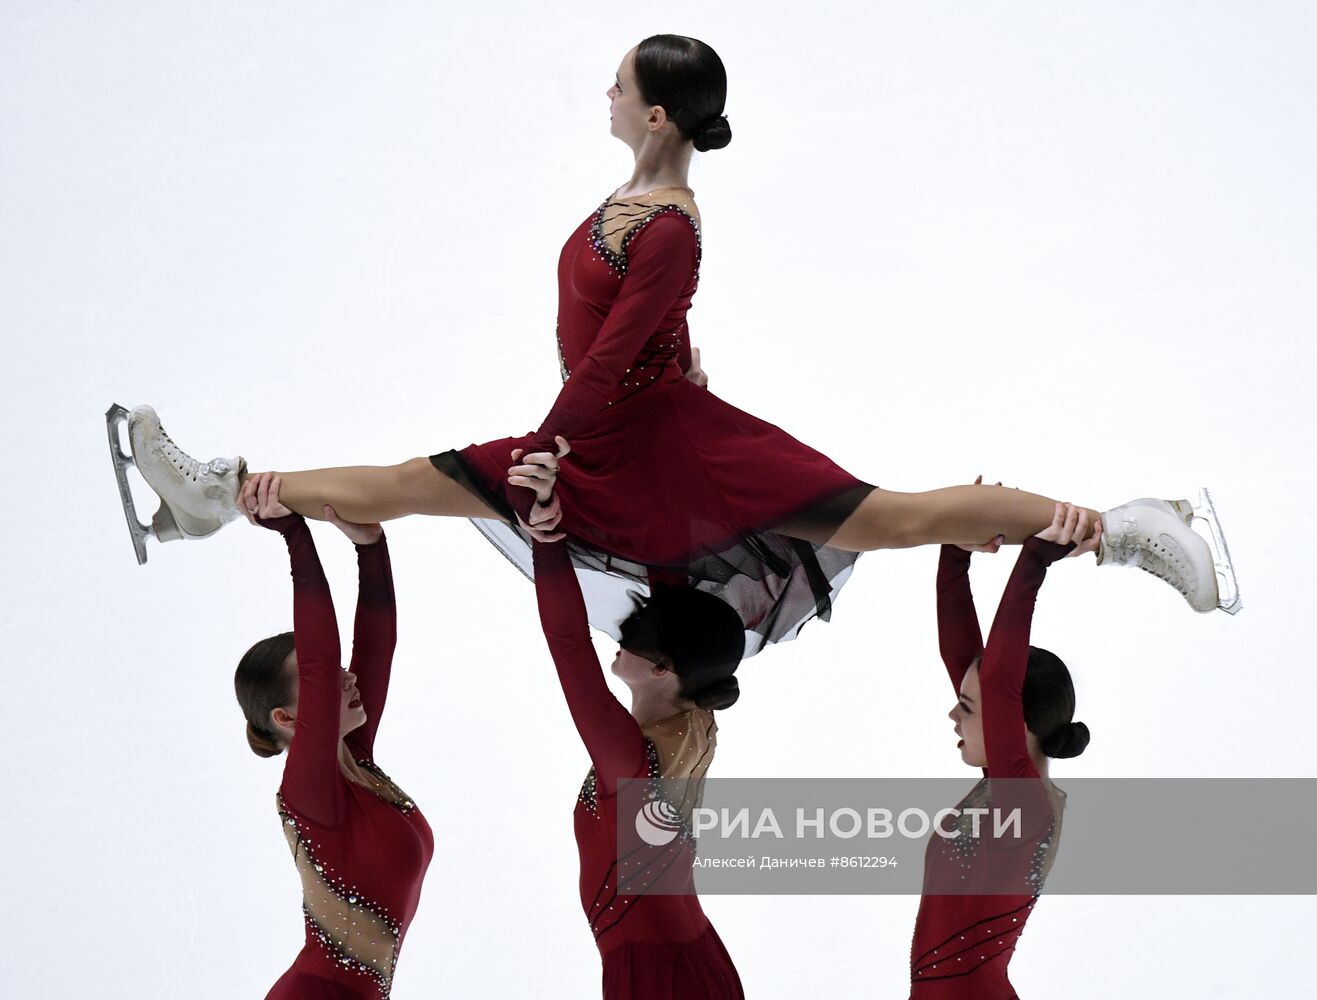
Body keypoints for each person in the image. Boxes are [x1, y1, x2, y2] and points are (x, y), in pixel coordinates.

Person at [110, 34, 1238, 624]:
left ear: (655, 113)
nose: (600, 96)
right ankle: (223, 492)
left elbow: (604, 361)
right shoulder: (640, 207)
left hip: (641, 443)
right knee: (418, 481)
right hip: (640, 429)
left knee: (892, 517)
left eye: (614, 86)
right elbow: (628, 342)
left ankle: (1127, 527)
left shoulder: (672, 227)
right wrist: (668, 368)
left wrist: (552, 445)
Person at [525, 442, 745, 999]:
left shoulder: (629, 758)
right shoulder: (695, 717)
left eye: (635, 636)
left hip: (656, 975)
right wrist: (651, 450)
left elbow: (568, 645)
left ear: (660, 668)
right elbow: (669, 583)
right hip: (689, 960)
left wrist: (547, 546)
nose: (620, 636)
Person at [234, 473, 434, 1000]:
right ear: (286, 718)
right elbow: (331, 659)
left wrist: (370, 550)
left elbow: (372, 649)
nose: (345, 674)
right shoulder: (315, 791)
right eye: (318, 679)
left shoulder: (355, 767)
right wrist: (295, 534)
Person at [909, 495, 1093, 999]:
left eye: (966, 707)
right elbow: (965, 657)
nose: (952, 713)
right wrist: (954, 552)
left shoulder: (1026, 808)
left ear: (1017, 724)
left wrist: (1033, 562)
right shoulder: (1006, 790)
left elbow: (999, 685)